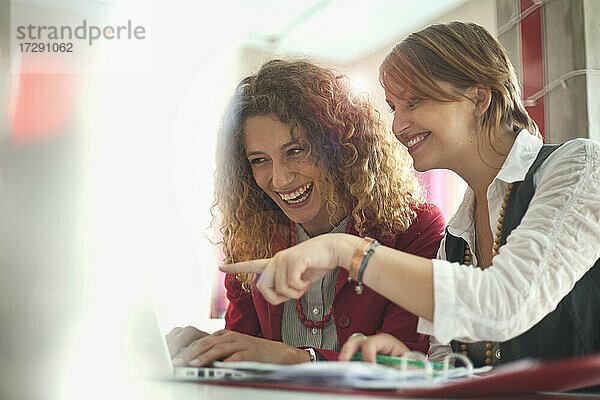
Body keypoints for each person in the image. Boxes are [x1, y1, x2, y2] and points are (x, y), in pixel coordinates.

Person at [221, 22, 600, 368]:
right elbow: (448, 362)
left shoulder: (578, 166)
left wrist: (344, 250)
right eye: (393, 107)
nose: (398, 125)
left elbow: (504, 302)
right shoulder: (457, 233)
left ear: (480, 98)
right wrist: (407, 364)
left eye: (414, 102)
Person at [167, 60, 446, 366]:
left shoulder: (414, 227)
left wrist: (298, 358)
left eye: (295, 151)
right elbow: (245, 353)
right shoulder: (249, 237)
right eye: (259, 160)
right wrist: (209, 350)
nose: (280, 178)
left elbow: (407, 360)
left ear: (339, 145)